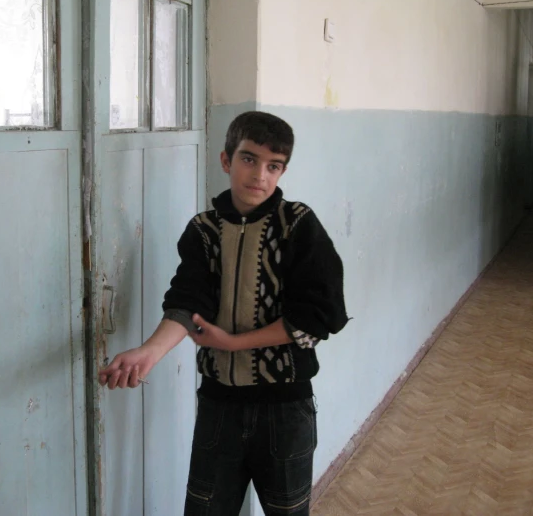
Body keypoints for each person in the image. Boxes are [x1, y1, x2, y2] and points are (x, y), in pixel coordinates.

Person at [98, 111, 349, 515]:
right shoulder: (203, 230)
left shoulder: (298, 226)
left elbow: (322, 316)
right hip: (219, 409)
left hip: (285, 411)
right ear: (226, 160)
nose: (260, 176)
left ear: (283, 171)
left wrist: (233, 343)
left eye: (274, 166)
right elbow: (186, 301)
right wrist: (149, 352)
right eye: (249, 159)